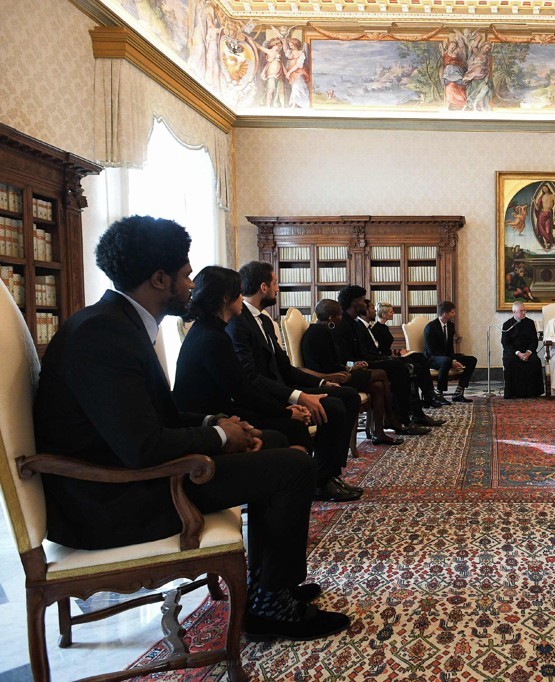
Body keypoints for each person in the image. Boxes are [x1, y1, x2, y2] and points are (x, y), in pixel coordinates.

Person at [33, 215, 350, 641]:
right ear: (159, 279)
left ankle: (269, 587)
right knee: (293, 468)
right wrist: (220, 436)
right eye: (185, 276)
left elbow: (150, 418)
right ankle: (272, 606)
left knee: (273, 441)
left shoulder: (114, 324)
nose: (191, 287)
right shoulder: (103, 335)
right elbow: (142, 446)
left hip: (131, 481)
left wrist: (214, 422)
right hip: (115, 500)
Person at [227, 261, 363, 502]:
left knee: (347, 395)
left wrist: (321, 385)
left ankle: (330, 473)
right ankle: (321, 481)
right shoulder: (239, 321)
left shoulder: (266, 321)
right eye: (275, 283)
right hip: (265, 394)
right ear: (264, 287)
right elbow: (251, 377)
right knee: (333, 406)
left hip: (282, 387)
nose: (278, 289)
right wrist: (299, 397)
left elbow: (285, 368)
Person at [174, 265, 314, 453]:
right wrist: (287, 412)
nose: (242, 298)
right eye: (239, 293)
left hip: (219, 411)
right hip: (209, 421)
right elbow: (243, 391)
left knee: (289, 426)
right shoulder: (213, 337)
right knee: (292, 429)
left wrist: (285, 411)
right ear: (225, 298)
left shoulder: (208, 329)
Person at [301, 299, 404, 446]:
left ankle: (379, 432)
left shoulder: (324, 331)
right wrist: (350, 368)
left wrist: (352, 366)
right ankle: (391, 418)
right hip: (332, 379)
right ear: (331, 317)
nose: (341, 318)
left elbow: (335, 361)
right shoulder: (318, 334)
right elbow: (328, 366)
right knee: (380, 373)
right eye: (339, 315)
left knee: (378, 387)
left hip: (339, 372)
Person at [331, 285, 435, 432]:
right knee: (399, 367)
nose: (364, 303)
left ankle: (409, 415)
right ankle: (402, 419)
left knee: (403, 363)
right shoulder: (344, 324)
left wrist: (384, 358)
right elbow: (347, 356)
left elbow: (365, 352)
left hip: (364, 361)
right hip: (355, 367)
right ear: (355, 302)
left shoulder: (353, 323)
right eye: (362, 300)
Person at [360, 298, 445, 415]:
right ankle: (422, 399)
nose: (393, 313)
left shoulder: (383, 327)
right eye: (391, 312)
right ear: (384, 314)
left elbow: (383, 348)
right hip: (383, 359)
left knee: (420, 357)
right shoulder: (375, 329)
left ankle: (428, 394)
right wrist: (396, 355)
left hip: (388, 356)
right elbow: (378, 351)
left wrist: (398, 352)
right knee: (414, 365)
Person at [424, 301, 478, 403]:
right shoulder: (430, 327)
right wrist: (451, 361)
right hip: (432, 358)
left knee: (471, 360)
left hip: (446, 357)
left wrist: (453, 359)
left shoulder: (450, 326)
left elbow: (449, 347)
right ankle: (439, 394)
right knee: (446, 361)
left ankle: (459, 392)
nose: (454, 314)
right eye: (453, 312)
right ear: (445, 314)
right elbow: (432, 350)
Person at [501, 301, 544, 399]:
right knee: (510, 361)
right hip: (513, 352)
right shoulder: (507, 325)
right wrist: (518, 353)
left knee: (535, 361)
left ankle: (533, 392)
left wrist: (528, 352)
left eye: (524, 310)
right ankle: (513, 393)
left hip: (528, 351)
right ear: (514, 312)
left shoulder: (530, 323)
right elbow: (505, 343)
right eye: (521, 311)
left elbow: (534, 340)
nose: (524, 313)